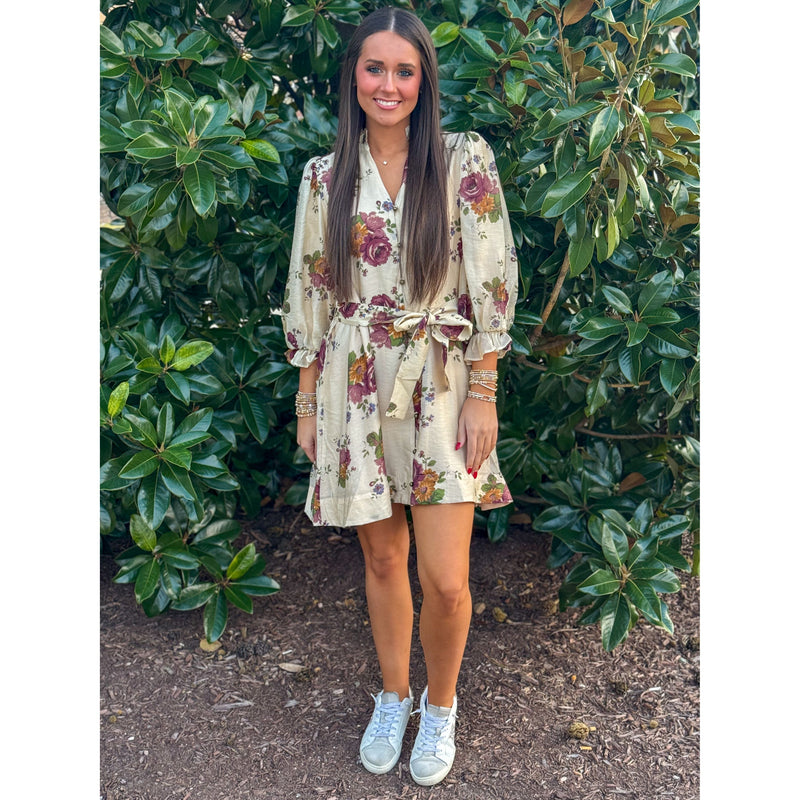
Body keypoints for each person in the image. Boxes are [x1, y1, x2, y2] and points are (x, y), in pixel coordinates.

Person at [282, 5, 517, 787]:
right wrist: (308, 402)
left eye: (404, 70)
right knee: (383, 558)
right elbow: (312, 290)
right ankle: (393, 695)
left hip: (443, 384)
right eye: (375, 68)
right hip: (352, 384)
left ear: (425, 80)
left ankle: (440, 706)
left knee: (447, 577)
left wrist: (484, 391)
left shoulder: (462, 159)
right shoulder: (325, 175)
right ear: (354, 76)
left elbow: (489, 275)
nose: (389, 84)